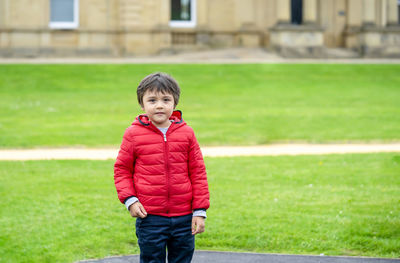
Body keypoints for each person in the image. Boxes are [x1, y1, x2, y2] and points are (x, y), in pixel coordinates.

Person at [114, 72, 210, 263]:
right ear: (142, 104)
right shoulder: (133, 134)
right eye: (152, 100)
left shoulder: (187, 133)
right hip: (150, 217)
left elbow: (198, 172)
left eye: (166, 99)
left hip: (184, 217)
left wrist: (199, 211)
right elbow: (122, 170)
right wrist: (130, 200)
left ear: (174, 103)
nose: (159, 105)